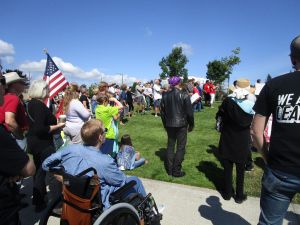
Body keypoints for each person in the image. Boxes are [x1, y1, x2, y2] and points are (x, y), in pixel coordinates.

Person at [42, 119, 146, 210]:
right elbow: (121, 181)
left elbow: (46, 164)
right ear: (100, 137)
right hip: (99, 200)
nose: (106, 133)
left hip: (75, 195)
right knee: (134, 180)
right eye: (105, 131)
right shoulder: (105, 161)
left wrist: (64, 176)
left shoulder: (69, 149)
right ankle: (147, 209)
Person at [251, 35, 300, 225]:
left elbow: (255, 132)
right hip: (280, 170)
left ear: (292, 58)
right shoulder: (273, 85)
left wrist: (266, 157)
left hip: (280, 169)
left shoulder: (274, 85)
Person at [0, 65, 36, 225]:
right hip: (12, 138)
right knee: (20, 171)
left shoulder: (11, 97)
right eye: (21, 82)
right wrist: (20, 135)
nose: (24, 85)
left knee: (11, 175)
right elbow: (9, 119)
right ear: (15, 84)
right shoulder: (13, 97)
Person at [26, 80, 65, 212]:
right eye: (47, 88)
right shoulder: (38, 106)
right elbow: (40, 129)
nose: (49, 91)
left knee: (39, 172)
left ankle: (38, 201)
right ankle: (56, 205)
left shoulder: (31, 104)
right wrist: (58, 126)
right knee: (53, 173)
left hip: (34, 142)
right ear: (41, 90)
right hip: (43, 143)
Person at [217, 78, 254, 204]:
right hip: (242, 138)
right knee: (240, 169)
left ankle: (227, 193)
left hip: (228, 136)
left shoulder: (227, 101)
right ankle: (239, 195)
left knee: (227, 168)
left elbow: (219, 115)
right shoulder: (252, 104)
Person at [160, 76, 194, 177]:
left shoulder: (165, 95)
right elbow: (190, 113)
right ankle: (176, 171)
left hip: (170, 124)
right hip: (181, 124)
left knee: (170, 146)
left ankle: (170, 171)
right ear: (179, 83)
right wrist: (191, 125)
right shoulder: (184, 95)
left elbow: (163, 113)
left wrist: (165, 124)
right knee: (180, 147)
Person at [0, 71, 29, 150]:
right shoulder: (13, 98)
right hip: (12, 136)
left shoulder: (5, 97)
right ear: (13, 84)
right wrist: (21, 137)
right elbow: (9, 121)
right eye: (20, 81)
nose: (23, 83)